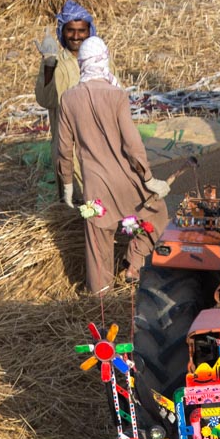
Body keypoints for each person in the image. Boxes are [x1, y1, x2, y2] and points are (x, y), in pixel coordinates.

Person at [54, 36, 171, 294]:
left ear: (82, 63)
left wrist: (68, 185)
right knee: (157, 214)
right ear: (104, 60)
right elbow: (132, 143)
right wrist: (149, 178)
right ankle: (135, 264)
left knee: (98, 245)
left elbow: (63, 148)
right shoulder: (116, 94)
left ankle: (101, 300)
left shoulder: (68, 99)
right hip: (126, 181)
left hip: (95, 188)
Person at [33, 0, 95, 180]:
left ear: (89, 32)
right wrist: (48, 63)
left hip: (100, 145)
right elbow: (45, 100)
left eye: (81, 31)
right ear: (62, 32)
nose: (76, 36)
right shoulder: (56, 62)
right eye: (70, 30)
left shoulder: (100, 60)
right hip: (69, 148)